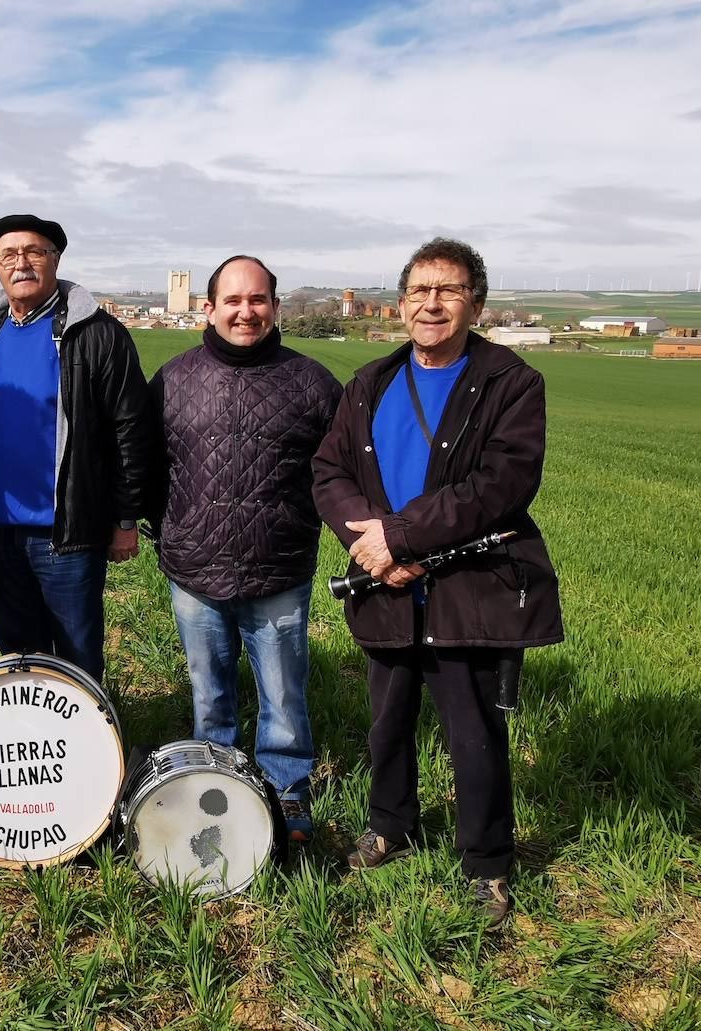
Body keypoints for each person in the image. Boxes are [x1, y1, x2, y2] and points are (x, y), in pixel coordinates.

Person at [312, 237, 563, 927]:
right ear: (400, 304)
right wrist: (371, 544)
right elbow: (328, 472)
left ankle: (487, 863)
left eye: (448, 290)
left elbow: (503, 484)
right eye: (420, 290)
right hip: (385, 584)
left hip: (467, 588)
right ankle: (390, 825)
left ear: (475, 303)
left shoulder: (511, 382)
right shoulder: (370, 382)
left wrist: (404, 535)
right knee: (387, 726)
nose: (432, 303)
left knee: (474, 734)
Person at [149, 255, 341, 844]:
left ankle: (287, 787)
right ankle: (219, 786)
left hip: (278, 567)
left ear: (275, 308)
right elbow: (149, 465)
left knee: (283, 690)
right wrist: (167, 529)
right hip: (194, 566)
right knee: (210, 691)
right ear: (209, 309)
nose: (245, 311)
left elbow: (341, 470)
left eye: (257, 300)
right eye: (232, 300)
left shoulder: (313, 384)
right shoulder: (173, 379)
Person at [0, 214, 153, 682]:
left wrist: (125, 518)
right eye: (9, 255)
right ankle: (34, 749)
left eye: (35, 252)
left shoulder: (96, 334)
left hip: (66, 536)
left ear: (56, 260)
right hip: (1, 535)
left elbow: (130, 430)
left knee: (77, 660)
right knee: (20, 659)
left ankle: (91, 754)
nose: (22, 263)